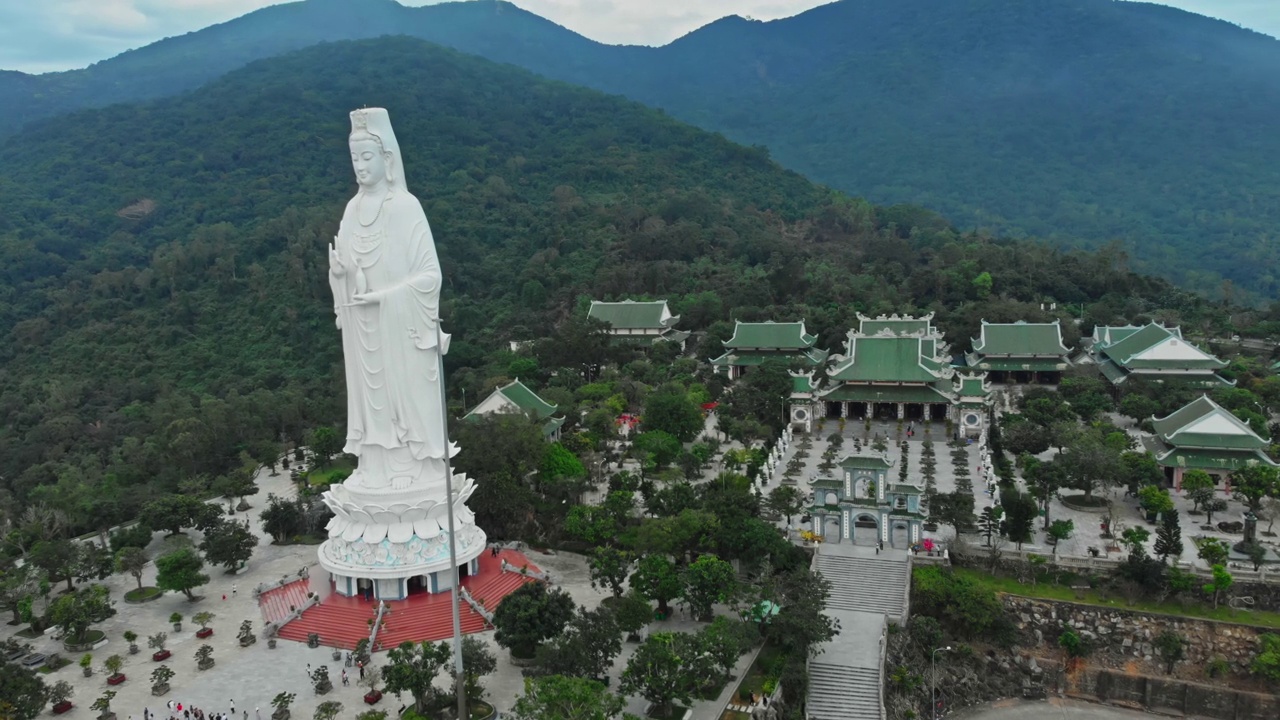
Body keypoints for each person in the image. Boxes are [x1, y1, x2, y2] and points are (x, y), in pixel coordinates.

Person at [329, 107, 449, 494]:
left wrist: (385, 297)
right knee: (370, 397)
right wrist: (339, 275)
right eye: (354, 159)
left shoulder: (405, 206)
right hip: (365, 329)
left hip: (400, 326)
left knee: (406, 393)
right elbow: (348, 270)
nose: (360, 167)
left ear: (387, 159)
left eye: (367, 157)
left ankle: (412, 463)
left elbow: (431, 276)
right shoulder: (352, 209)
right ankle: (375, 462)